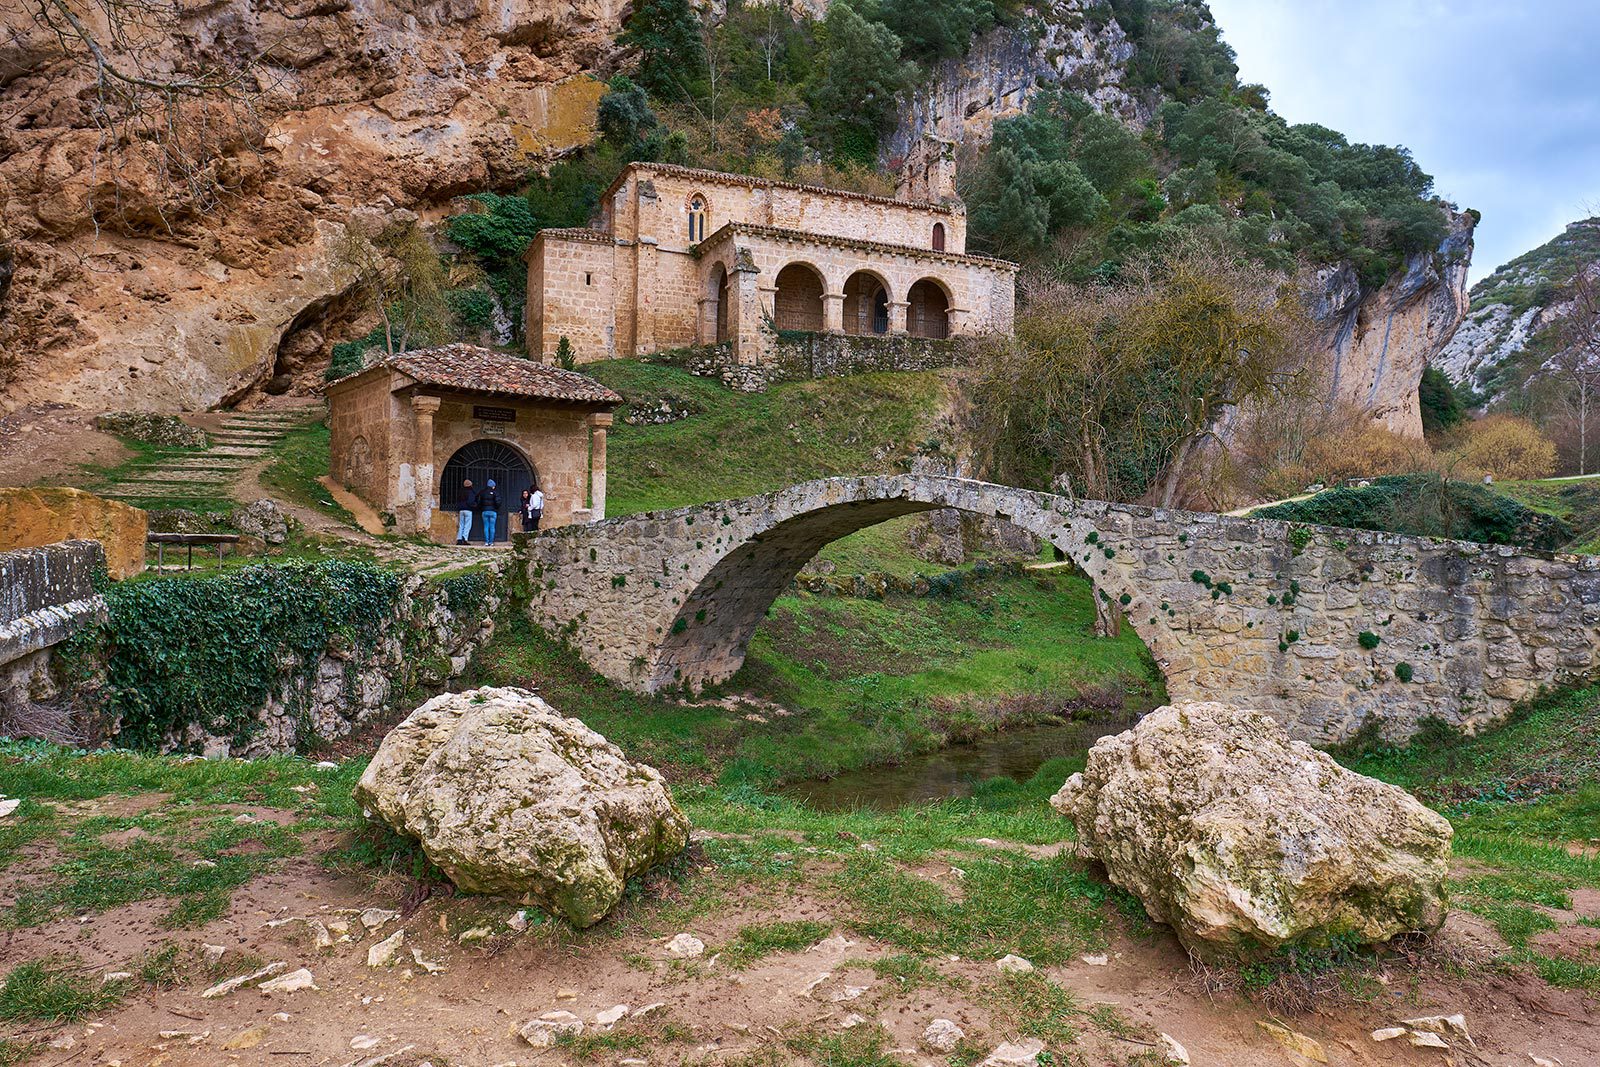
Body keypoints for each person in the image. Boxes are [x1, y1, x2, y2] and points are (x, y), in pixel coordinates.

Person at [480, 478, 502, 546]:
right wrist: (496, 507)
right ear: (492, 486)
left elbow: (479, 501)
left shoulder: (482, 492)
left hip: (485, 511)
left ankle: (486, 542)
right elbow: (498, 502)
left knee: (486, 526)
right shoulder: (495, 492)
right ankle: (491, 542)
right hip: (493, 511)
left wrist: (481, 507)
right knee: (492, 527)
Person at [455, 478, 475, 545]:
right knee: (467, 525)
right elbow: (471, 501)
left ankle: (459, 539)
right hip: (468, 509)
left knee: (461, 525)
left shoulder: (461, 491)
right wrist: (474, 505)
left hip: (461, 510)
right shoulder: (471, 491)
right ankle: (465, 538)